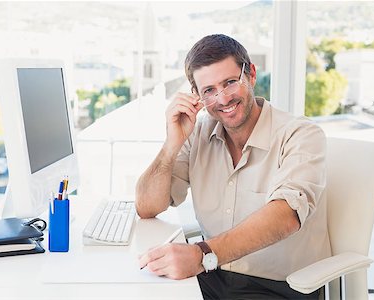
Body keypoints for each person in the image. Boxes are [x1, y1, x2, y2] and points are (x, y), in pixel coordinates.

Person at [135, 34, 331, 299]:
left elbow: (286, 216)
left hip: (279, 288)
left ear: (250, 74)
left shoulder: (301, 134)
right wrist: (171, 145)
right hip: (212, 275)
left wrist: (201, 253)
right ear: (197, 96)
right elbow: (147, 206)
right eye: (209, 91)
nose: (223, 98)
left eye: (229, 83)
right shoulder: (197, 132)